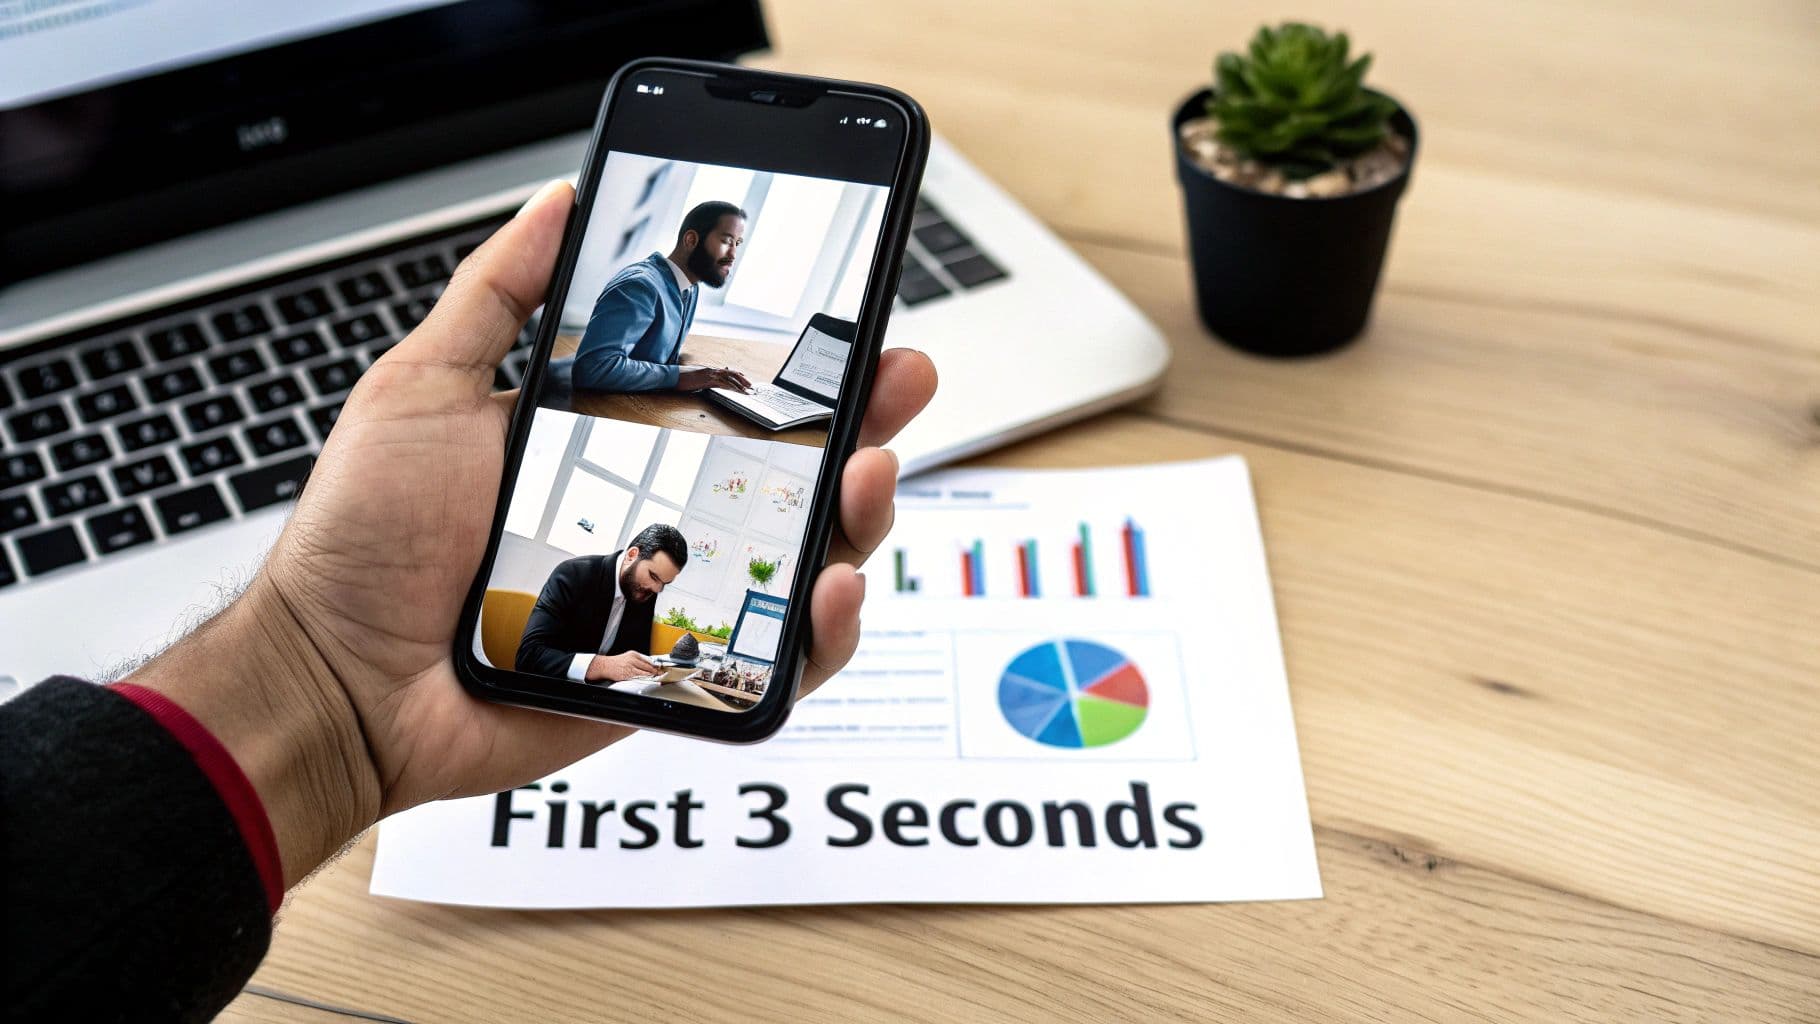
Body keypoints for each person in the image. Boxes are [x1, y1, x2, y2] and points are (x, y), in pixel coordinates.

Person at [0, 180, 937, 1021]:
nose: (656, 593)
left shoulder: (684, 309)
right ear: (632, 552)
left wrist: (651, 664)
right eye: (726, 240)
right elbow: (540, 640)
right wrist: (596, 663)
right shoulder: (576, 570)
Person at [571, 199, 754, 394]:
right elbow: (592, 369)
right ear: (691, 240)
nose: (733, 255)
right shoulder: (640, 287)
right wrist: (683, 376)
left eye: (737, 243)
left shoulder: (690, 288)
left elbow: (657, 359)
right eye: (726, 241)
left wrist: (700, 373)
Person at [516, 522, 686, 681]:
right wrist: (603, 666)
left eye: (664, 583)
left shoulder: (645, 590)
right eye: (653, 576)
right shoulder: (573, 574)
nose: (657, 589)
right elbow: (528, 656)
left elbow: (637, 654)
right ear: (631, 555)